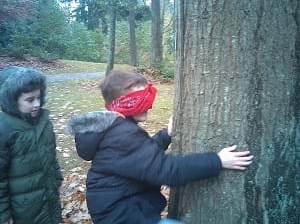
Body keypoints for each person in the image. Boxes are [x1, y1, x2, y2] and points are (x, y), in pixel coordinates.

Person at [67, 70, 253, 224]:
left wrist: (166, 135)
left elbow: (141, 158)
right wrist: (217, 161)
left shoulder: (114, 129)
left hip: (121, 211)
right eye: (139, 99)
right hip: (123, 217)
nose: (149, 104)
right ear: (120, 103)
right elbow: (167, 170)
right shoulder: (122, 134)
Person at [0, 66, 63, 224]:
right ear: (12, 100)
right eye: (29, 100)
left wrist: (57, 178)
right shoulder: (5, 129)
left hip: (49, 199)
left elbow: (50, 154)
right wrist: (3, 213)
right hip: (23, 210)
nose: (37, 104)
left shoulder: (43, 122)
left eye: (39, 98)